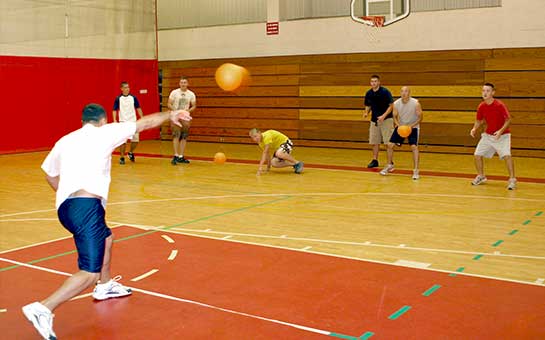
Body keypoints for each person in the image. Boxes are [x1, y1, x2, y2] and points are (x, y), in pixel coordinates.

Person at [22, 104, 189, 340]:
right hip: (86, 209)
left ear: (83, 121)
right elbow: (145, 123)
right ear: (102, 121)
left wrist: (68, 197)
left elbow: (49, 173)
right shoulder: (106, 132)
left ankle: (105, 285)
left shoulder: (65, 140)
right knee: (88, 273)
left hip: (68, 208)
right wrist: (171, 115)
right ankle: (43, 308)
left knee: (107, 238)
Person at [470, 83, 516, 190]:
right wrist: (474, 128)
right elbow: (479, 120)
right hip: (488, 136)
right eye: (483, 91)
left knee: (507, 156)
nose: (485, 93)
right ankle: (481, 176)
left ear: (493, 93)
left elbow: (508, 119)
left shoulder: (499, 105)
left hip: (502, 136)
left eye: (487, 91)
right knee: (477, 155)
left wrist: (500, 131)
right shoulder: (481, 106)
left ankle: (512, 179)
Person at [380, 86, 423, 180]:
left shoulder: (416, 103)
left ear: (409, 93)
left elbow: (420, 118)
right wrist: (398, 125)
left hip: (413, 127)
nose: (404, 93)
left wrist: (411, 126)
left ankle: (416, 170)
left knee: (414, 147)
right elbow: (394, 116)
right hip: (401, 126)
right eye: (402, 91)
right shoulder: (396, 103)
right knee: (390, 145)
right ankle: (389, 164)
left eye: (406, 91)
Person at [363, 75, 394, 168]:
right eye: (372, 81)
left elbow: (391, 105)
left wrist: (383, 116)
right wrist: (366, 112)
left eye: (375, 81)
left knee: (388, 143)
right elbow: (368, 105)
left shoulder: (385, 92)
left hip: (387, 120)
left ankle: (390, 162)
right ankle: (375, 160)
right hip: (374, 121)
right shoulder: (369, 93)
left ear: (379, 82)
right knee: (374, 141)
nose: (373, 83)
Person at [112, 81, 144, 164]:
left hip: (133, 121)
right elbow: (114, 110)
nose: (127, 89)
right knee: (123, 141)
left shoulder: (133, 98)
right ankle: (122, 157)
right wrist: (115, 119)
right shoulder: (118, 98)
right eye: (125, 87)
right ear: (121, 89)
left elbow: (138, 108)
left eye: (128, 87)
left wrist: (142, 117)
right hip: (123, 122)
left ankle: (130, 152)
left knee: (136, 140)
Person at [168, 76, 196, 165]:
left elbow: (194, 105)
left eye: (185, 82)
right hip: (175, 117)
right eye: (181, 82)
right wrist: (175, 110)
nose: (183, 84)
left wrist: (188, 110)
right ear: (179, 83)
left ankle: (181, 156)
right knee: (176, 135)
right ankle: (176, 155)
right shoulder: (174, 92)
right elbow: (169, 103)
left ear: (187, 84)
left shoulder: (191, 94)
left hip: (185, 117)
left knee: (184, 136)